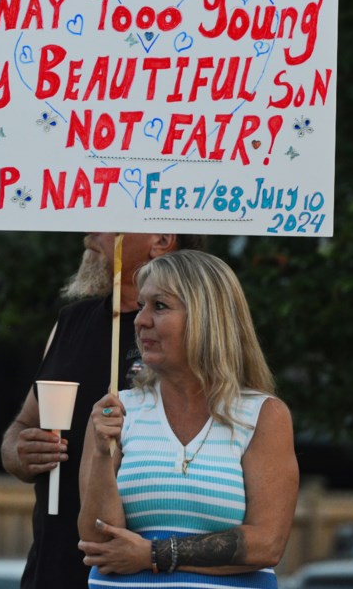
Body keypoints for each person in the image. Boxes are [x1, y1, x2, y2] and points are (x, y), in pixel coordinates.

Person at [77, 250, 299, 588]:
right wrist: (101, 453)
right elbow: (100, 543)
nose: (140, 320)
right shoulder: (117, 410)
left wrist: (154, 554)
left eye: (160, 306)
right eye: (141, 307)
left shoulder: (263, 415)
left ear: (207, 317)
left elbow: (266, 544)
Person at [1, 232, 206, 589]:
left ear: (161, 239)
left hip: (141, 573)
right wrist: (20, 450)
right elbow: (22, 425)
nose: (89, 236)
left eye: (106, 223)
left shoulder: (192, 336)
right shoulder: (71, 321)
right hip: (53, 567)